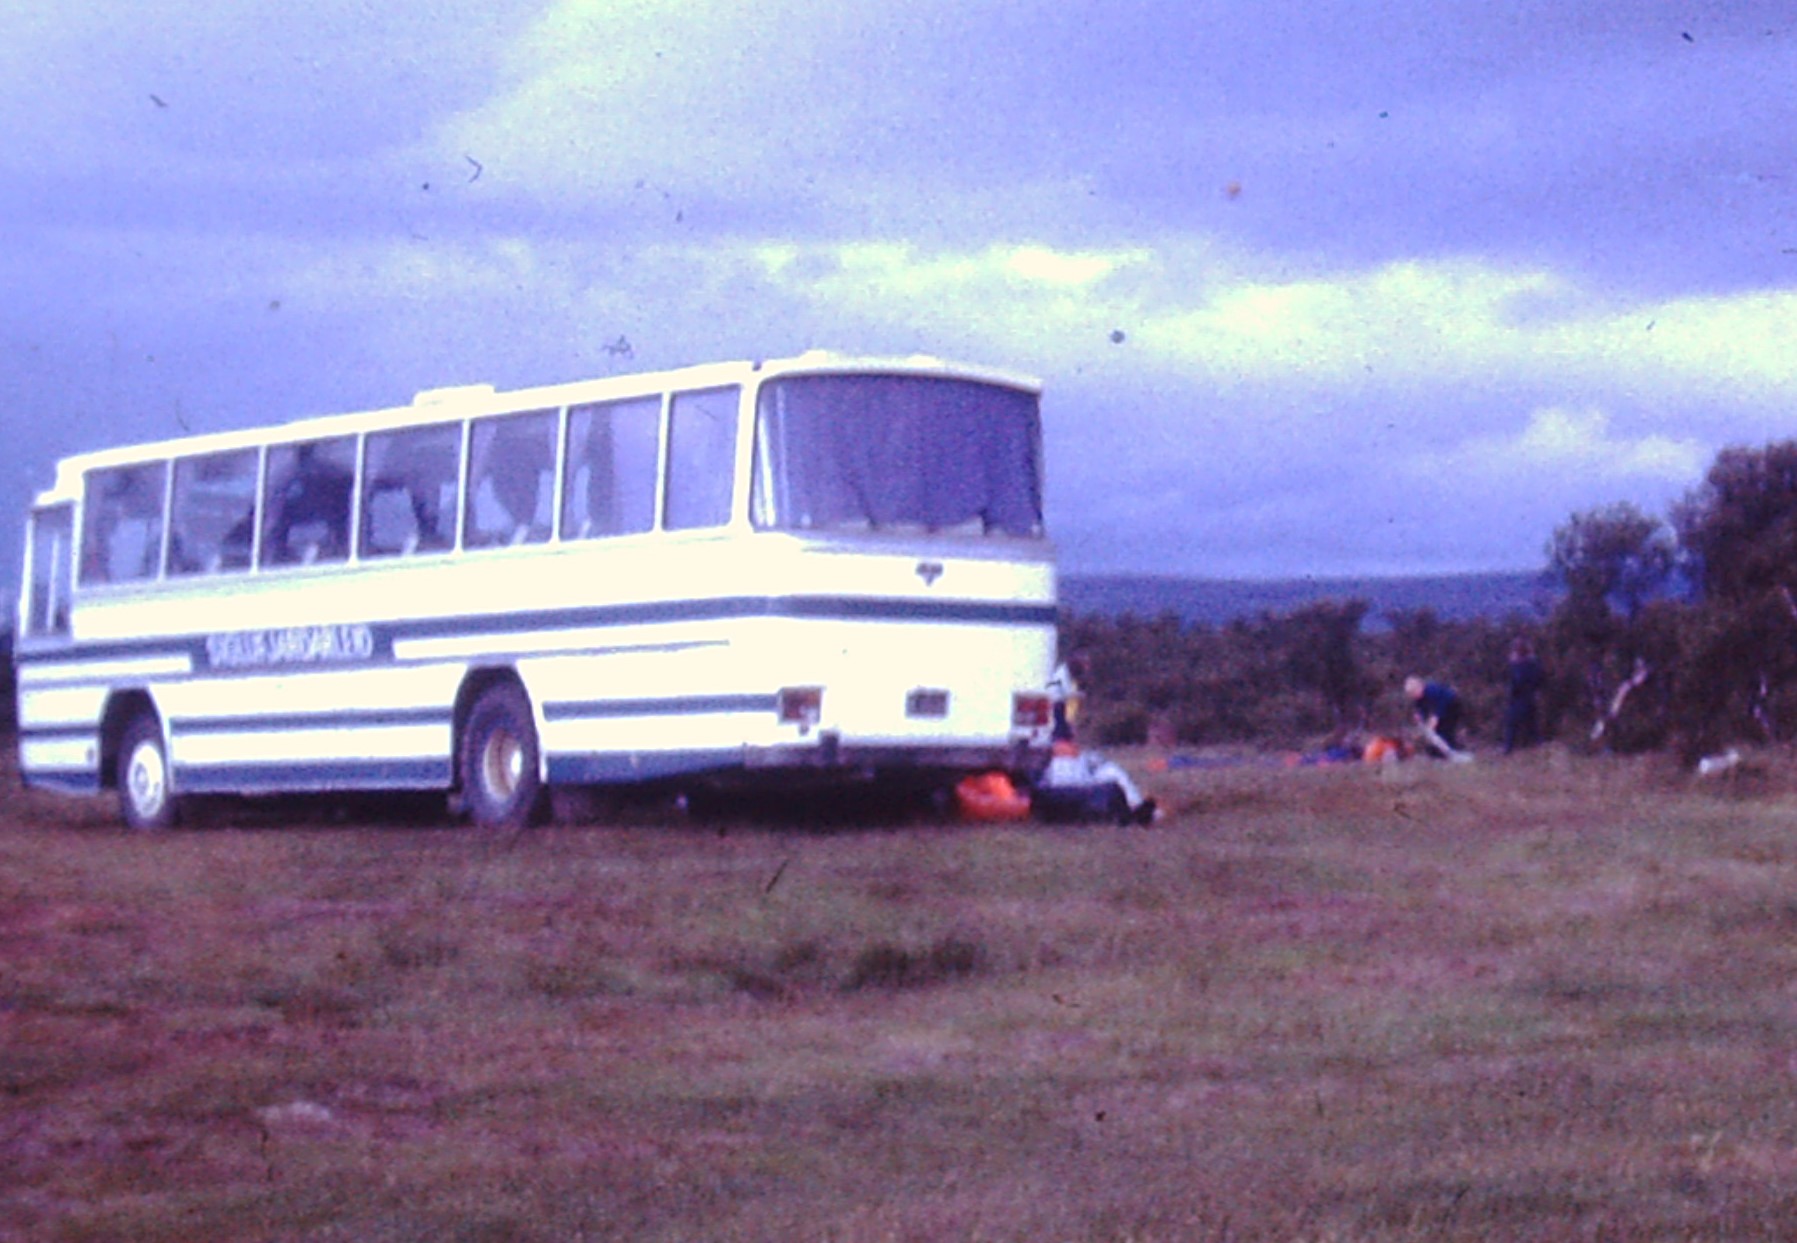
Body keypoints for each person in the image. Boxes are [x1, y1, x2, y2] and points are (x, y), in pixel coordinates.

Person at [1037, 652, 1159, 824]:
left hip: (1066, 763)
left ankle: (1136, 808)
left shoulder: (1064, 685)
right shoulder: (1059, 687)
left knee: (1107, 770)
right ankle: (1136, 808)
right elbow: (1057, 703)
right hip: (1069, 765)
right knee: (1111, 771)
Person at [1404, 675, 1467, 759]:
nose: (1412, 696)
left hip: (1452, 705)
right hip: (1441, 710)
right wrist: (1420, 715)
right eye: (1410, 694)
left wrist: (1436, 716)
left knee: (1445, 730)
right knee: (1434, 733)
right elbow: (1421, 707)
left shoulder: (1432, 690)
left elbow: (1443, 702)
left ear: (1419, 687)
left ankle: (1455, 752)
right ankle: (1440, 752)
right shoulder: (1418, 697)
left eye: (1413, 692)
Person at [1503, 637, 1544, 754]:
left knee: (1513, 722)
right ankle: (1538, 745)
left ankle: (1508, 748)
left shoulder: (1524, 664)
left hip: (1521, 697)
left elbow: (1517, 681)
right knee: (1531, 723)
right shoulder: (1533, 662)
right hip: (1528, 696)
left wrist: (1511, 692)